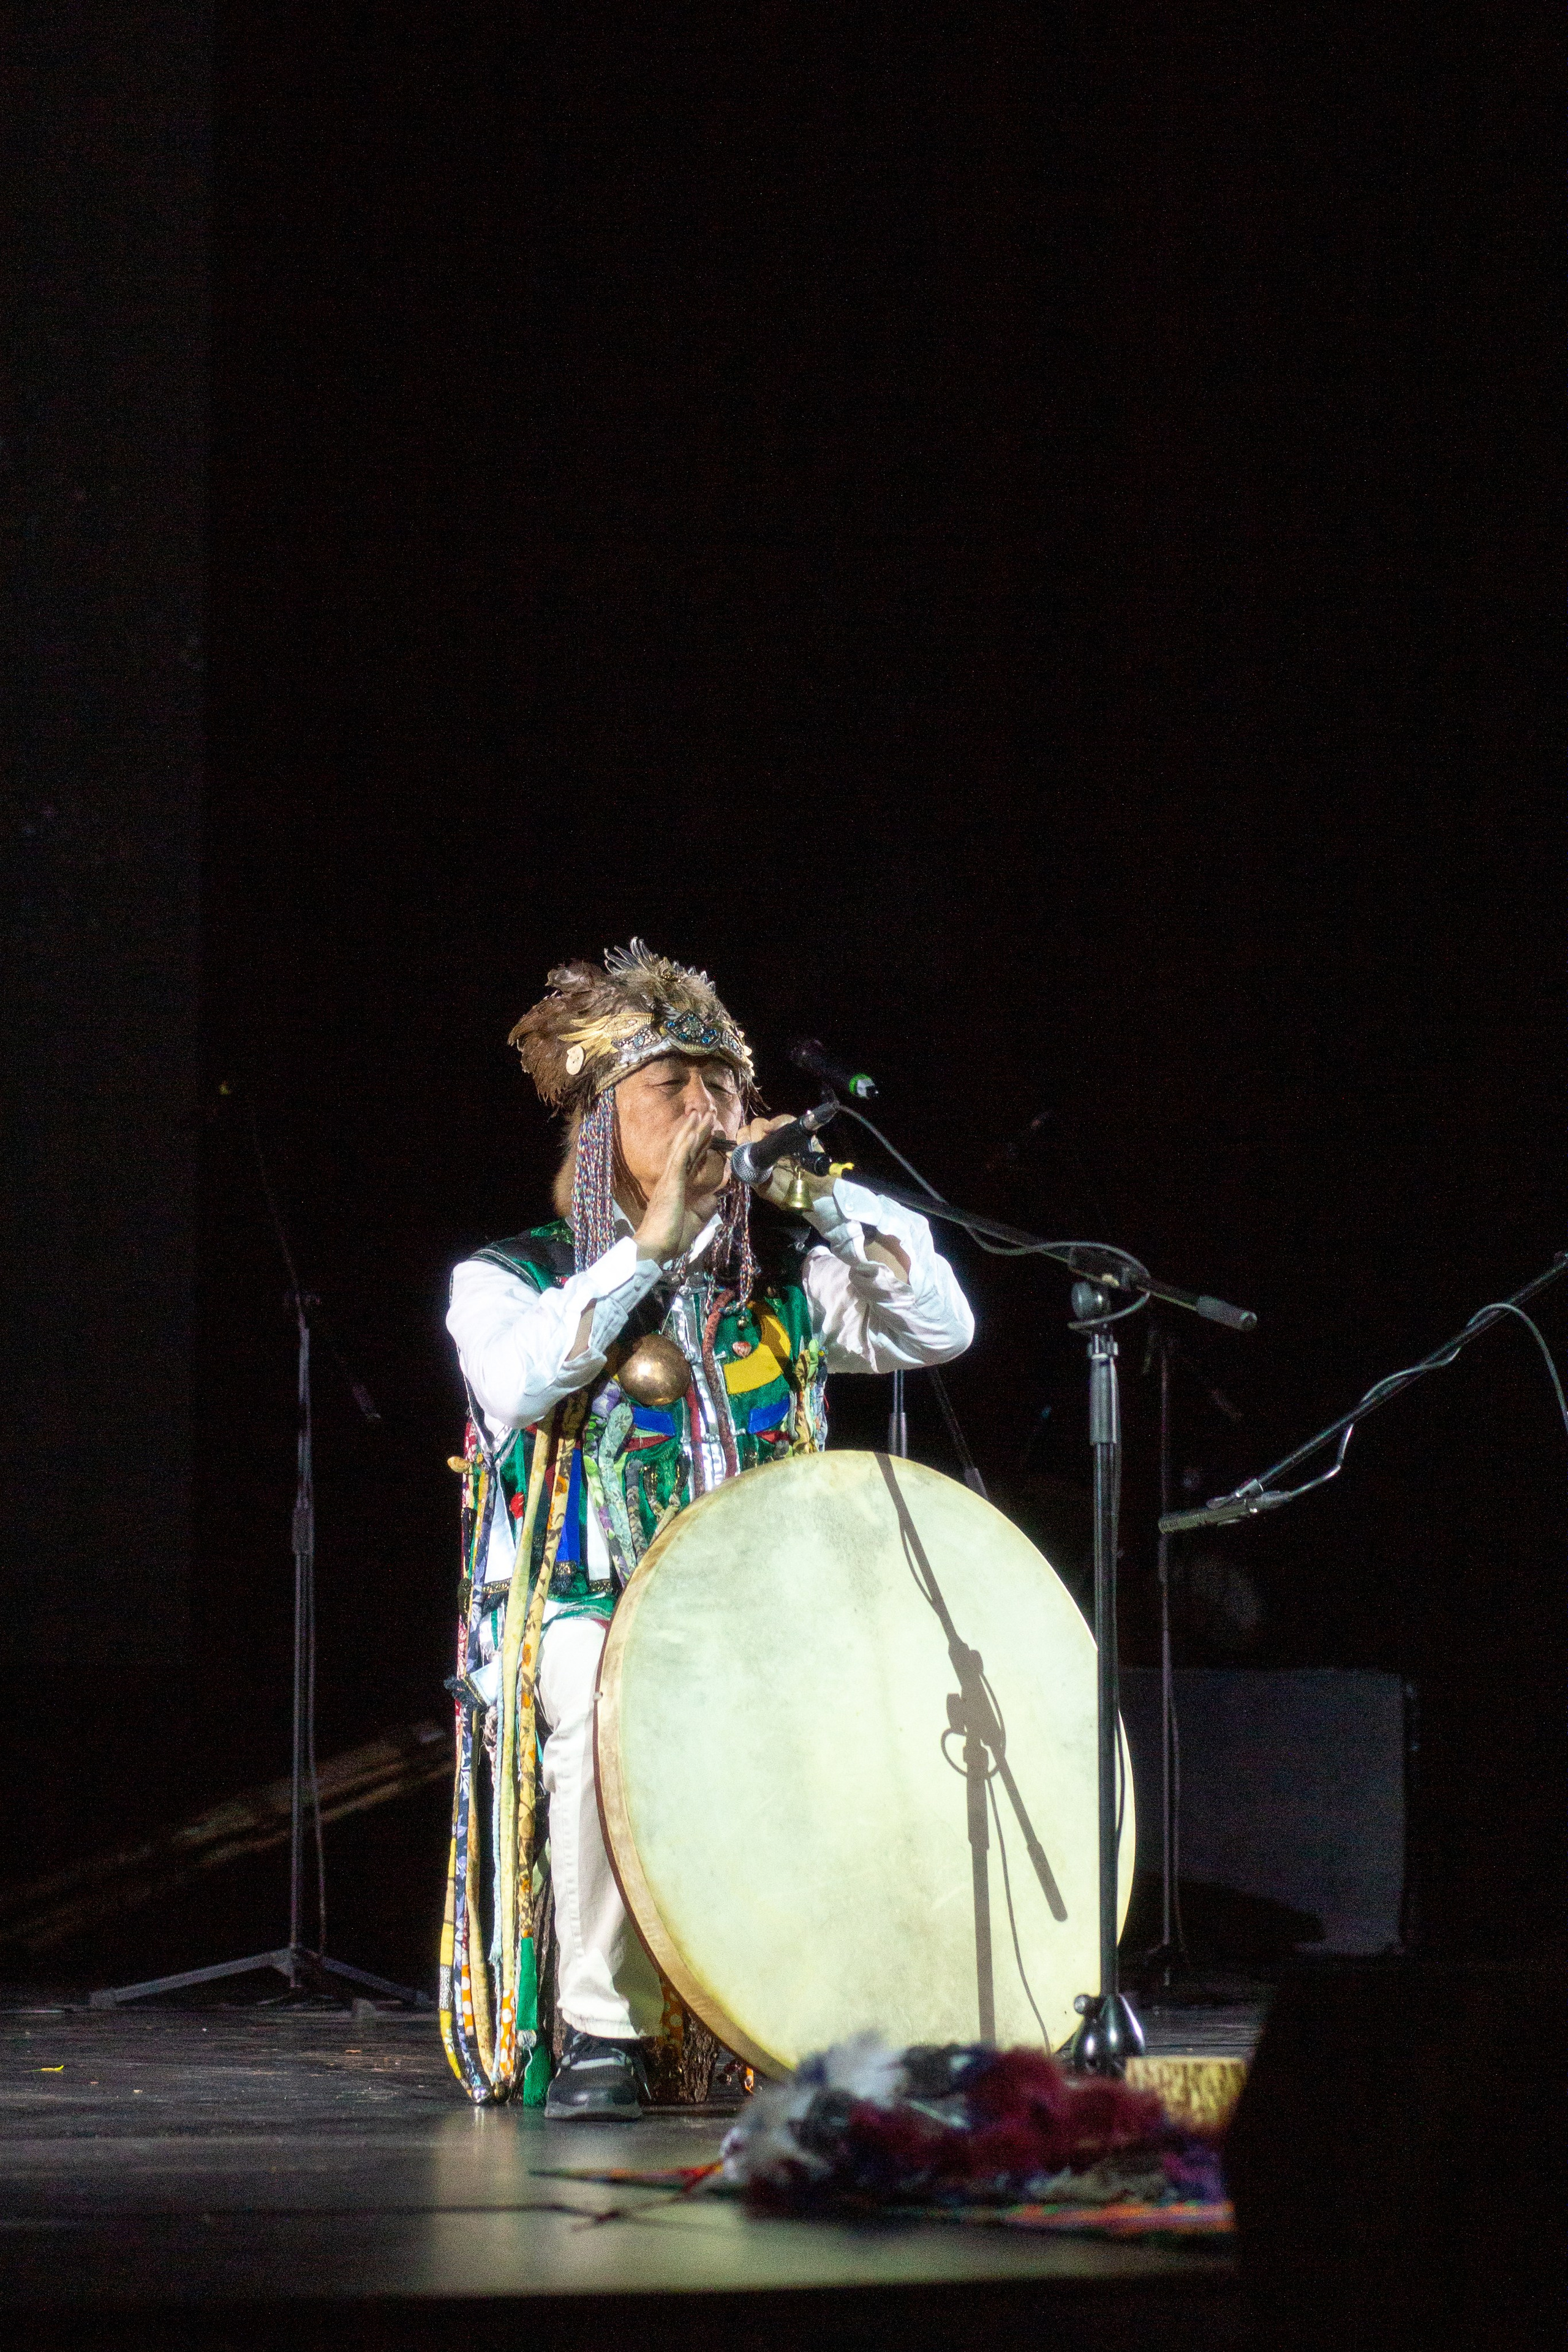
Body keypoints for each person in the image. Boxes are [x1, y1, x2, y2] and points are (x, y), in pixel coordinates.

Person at [439, 941, 974, 2114]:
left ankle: (811, 2015)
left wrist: (828, 1204)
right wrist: (648, 1250)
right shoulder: (513, 1278)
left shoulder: (782, 1285)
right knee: (595, 1697)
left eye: (725, 1085)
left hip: (767, 1610)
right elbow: (517, 1384)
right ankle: (604, 2031)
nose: (708, 1109)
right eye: (671, 1086)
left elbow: (939, 1329)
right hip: (588, 1609)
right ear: (600, 1127)